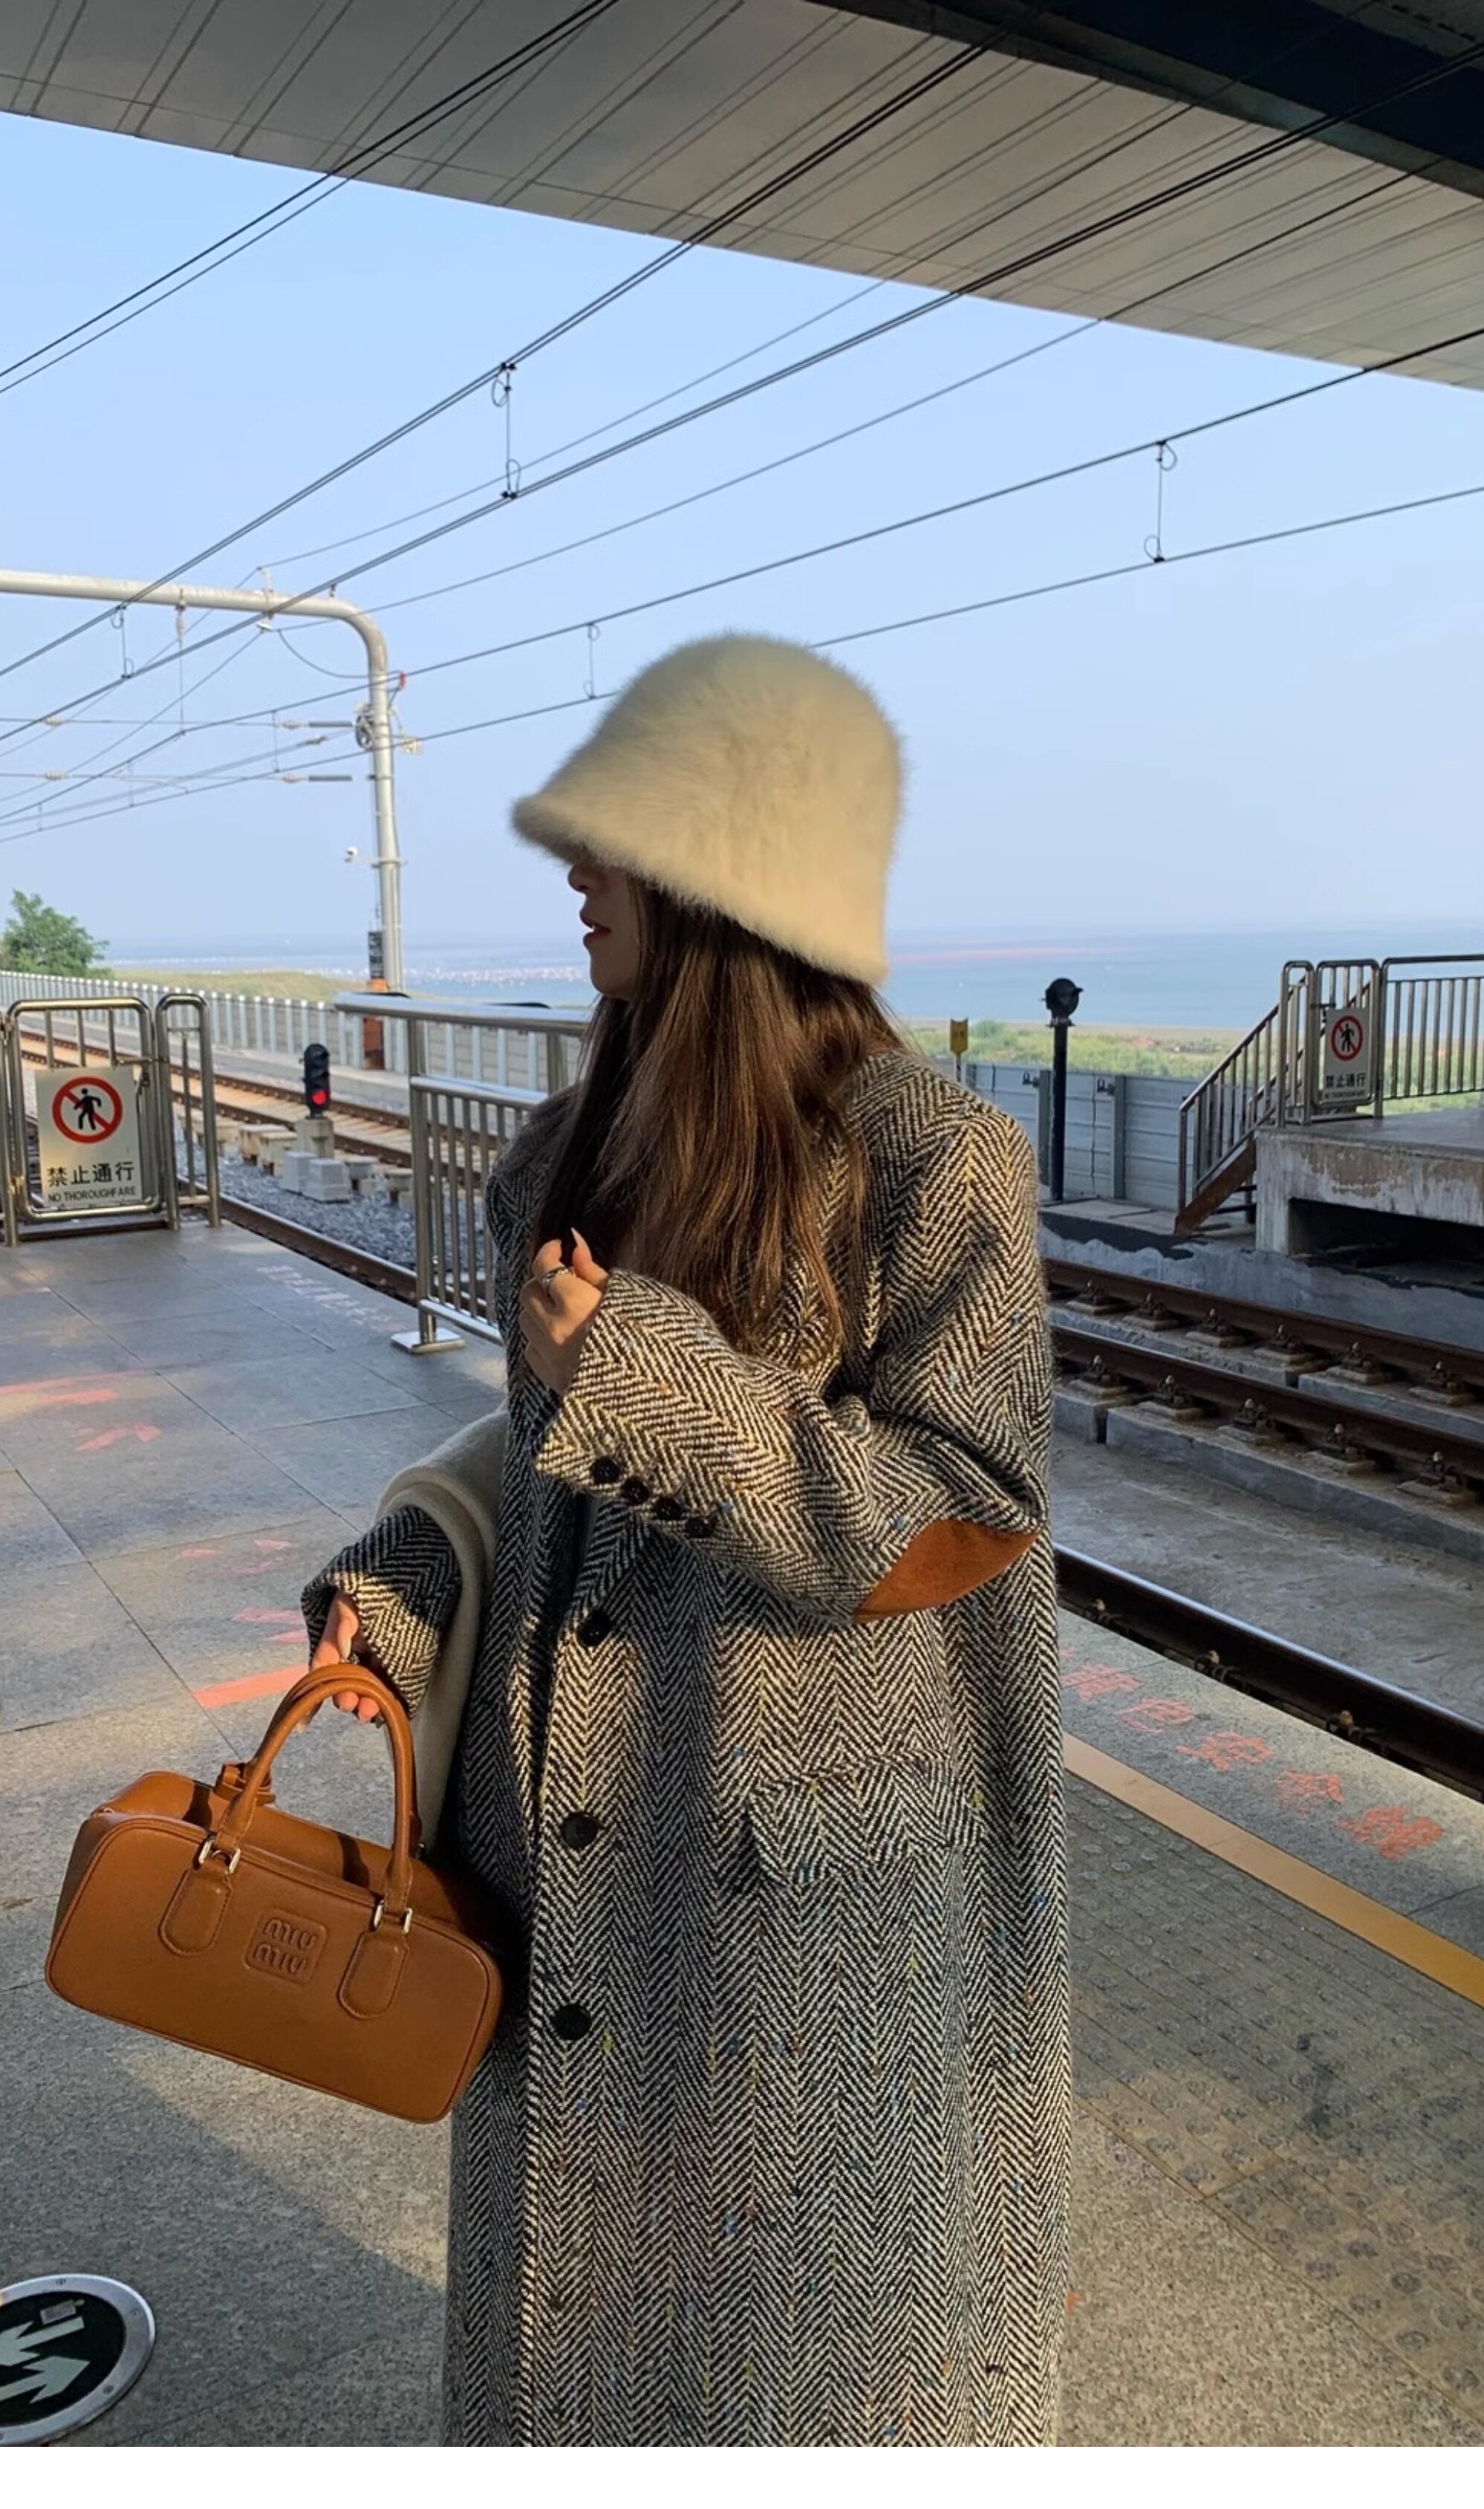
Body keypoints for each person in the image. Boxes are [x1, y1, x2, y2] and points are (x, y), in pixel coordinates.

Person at [302, 633, 1067, 2448]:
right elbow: (553, 1459)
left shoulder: (934, 1158)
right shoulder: (575, 1146)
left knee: (799, 2376)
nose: (577, 868)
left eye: (619, 835)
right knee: (570, 2340)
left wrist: (648, 1377)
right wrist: (417, 1571)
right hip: (554, 1843)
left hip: (793, 1892)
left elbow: (962, 1513)